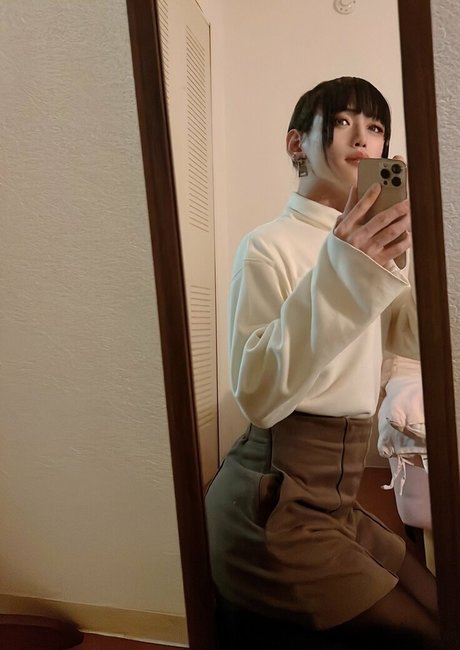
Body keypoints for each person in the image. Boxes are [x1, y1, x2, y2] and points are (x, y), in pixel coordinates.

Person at [205, 77, 439, 648]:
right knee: (427, 636)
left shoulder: (372, 245)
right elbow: (257, 394)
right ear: (297, 144)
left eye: (376, 127)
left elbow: (413, 340)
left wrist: (425, 257)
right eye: (342, 121)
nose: (362, 137)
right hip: (273, 502)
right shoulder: (267, 246)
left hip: (338, 499)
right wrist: (349, 267)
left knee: (443, 606)